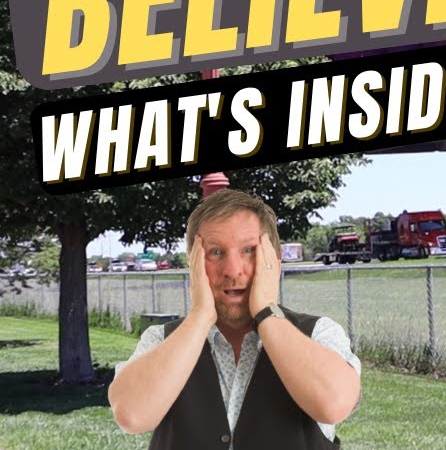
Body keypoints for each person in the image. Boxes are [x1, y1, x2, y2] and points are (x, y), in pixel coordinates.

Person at [109, 189, 362, 449]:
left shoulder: (319, 333)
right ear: (194, 265)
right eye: (216, 252)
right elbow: (131, 415)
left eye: (248, 250)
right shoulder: (161, 339)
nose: (232, 270)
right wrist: (199, 316)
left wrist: (266, 311)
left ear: (274, 264)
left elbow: (334, 404)